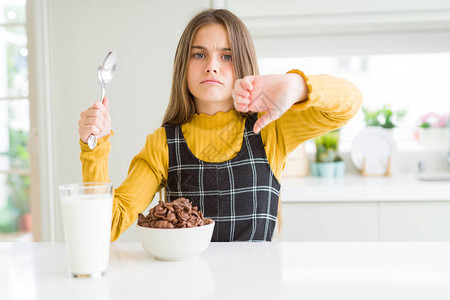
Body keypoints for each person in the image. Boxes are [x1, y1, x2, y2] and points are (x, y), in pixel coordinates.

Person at [78, 9, 362, 242]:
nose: (212, 66)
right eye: (199, 54)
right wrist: (95, 150)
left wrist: (295, 85)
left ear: (243, 64)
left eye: (227, 56)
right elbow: (107, 226)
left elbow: (350, 103)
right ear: (183, 67)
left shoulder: (272, 128)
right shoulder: (162, 144)